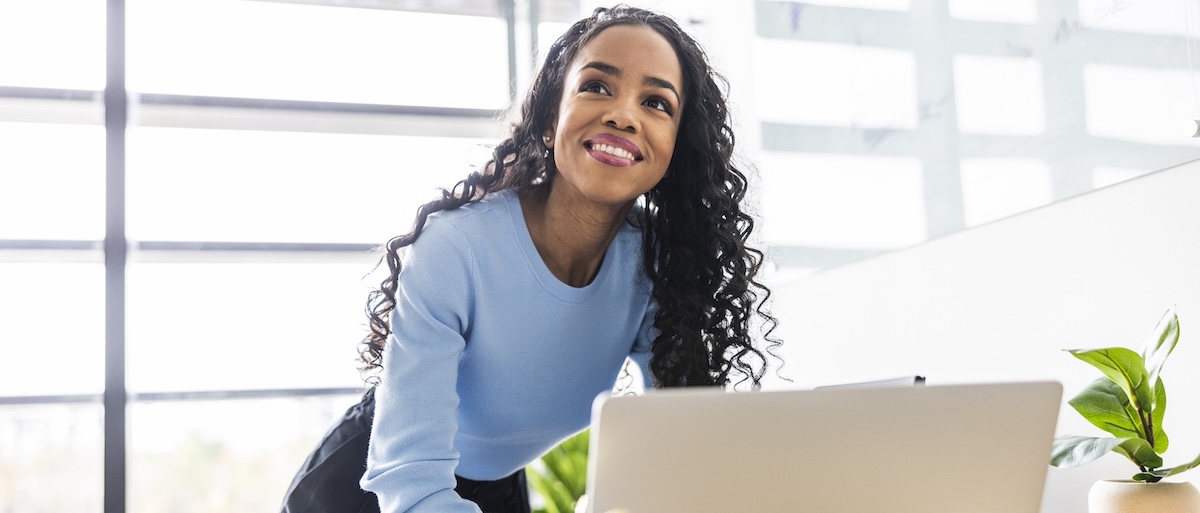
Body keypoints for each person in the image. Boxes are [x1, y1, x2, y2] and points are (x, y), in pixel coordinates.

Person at [281, 4, 781, 513]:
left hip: (495, 489)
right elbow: (410, 479)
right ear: (549, 119)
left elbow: (675, 445)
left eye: (656, 102)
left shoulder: (653, 267)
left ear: (678, 151)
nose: (623, 114)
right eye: (597, 86)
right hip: (375, 484)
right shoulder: (456, 249)